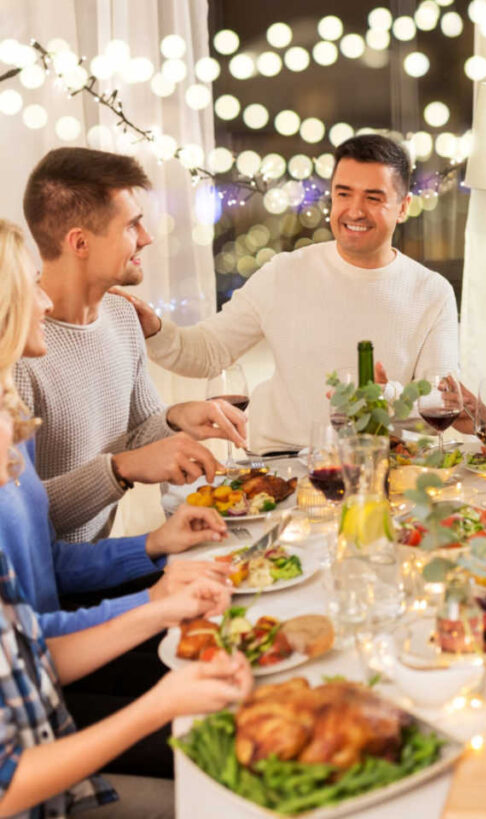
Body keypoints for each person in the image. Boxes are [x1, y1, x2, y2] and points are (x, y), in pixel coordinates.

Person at [0, 225, 252, 816]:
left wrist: (155, 554)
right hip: (44, 759)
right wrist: (163, 701)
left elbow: (35, 612)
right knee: (237, 757)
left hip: (46, 698)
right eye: (27, 286)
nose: (43, 302)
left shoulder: (11, 429)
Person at [119, 133, 460, 453]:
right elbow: (209, 352)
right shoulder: (283, 272)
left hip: (381, 464)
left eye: (373, 198)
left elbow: (440, 406)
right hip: (280, 461)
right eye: (343, 194)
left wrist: (389, 396)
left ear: (403, 207)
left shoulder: (432, 292)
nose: (354, 211)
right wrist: (154, 330)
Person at [0, 218, 231, 637]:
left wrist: (155, 544)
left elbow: (47, 563)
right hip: (52, 651)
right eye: (130, 224)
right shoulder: (22, 379)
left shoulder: (11, 423)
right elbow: (28, 643)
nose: (45, 303)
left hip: (61, 621)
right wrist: (156, 602)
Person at [15, 147, 248, 543]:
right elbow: (16, 519)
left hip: (102, 563)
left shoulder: (123, 319)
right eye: (131, 226)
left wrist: (176, 417)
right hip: (48, 586)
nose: (147, 238)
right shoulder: (18, 349)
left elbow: (137, 436)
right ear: (80, 243)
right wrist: (120, 469)